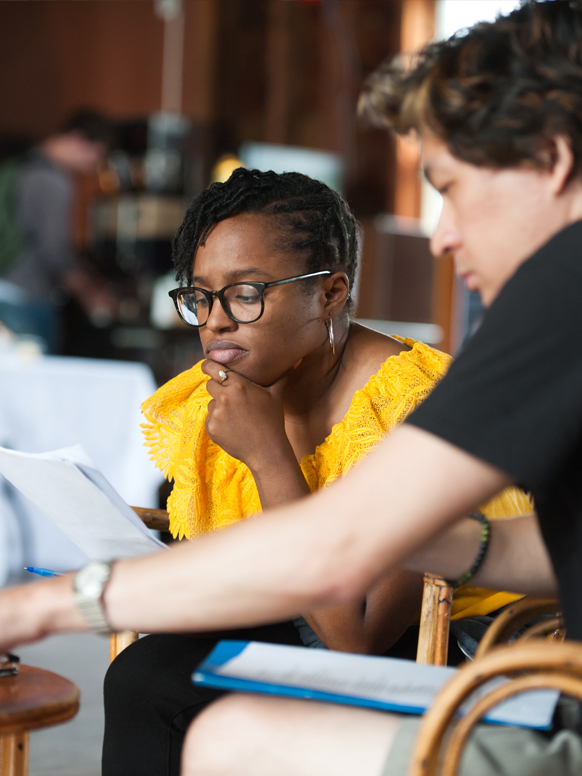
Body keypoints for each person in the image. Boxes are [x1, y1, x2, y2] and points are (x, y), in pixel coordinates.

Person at [0, 2, 581, 775]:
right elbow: (550, 546)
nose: (441, 234)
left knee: (217, 727)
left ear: (552, 158)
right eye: (201, 297)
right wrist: (414, 531)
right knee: (149, 677)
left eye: (452, 186)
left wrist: (39, 604)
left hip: (501, 685)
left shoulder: (556, 294)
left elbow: (342, 586)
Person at [101, 168, 529, 776]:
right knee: (145, 675)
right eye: (200, 296)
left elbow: (357, 639)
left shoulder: (410, 402)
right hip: (298, 615)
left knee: (174, 689)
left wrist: (269, 454)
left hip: (444, 642)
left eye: (247, 293)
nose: (216, 321)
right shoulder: (225, 395)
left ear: (330, 292)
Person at [0, 110, 115, 352]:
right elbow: (55, 252)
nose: (93, 166)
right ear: (78, 139)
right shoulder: (52, 180)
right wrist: (91, 296)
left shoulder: (21, 164)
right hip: (26, 296)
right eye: (96, 155)